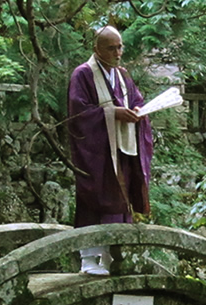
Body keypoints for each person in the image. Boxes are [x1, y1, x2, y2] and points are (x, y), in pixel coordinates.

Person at [68, 25, 153, 275]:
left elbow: (135, 100)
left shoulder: (122, 75)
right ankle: (89, 260)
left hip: (121, 149)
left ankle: (114, 258)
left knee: (120, 200)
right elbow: (78, 113)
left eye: (120, 47)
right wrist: (112, 113)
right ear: (97, 49)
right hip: (96, 152)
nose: (118, 52)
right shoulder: (83, 74)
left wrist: (139, 112)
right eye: (111, 48)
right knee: (95, 199)